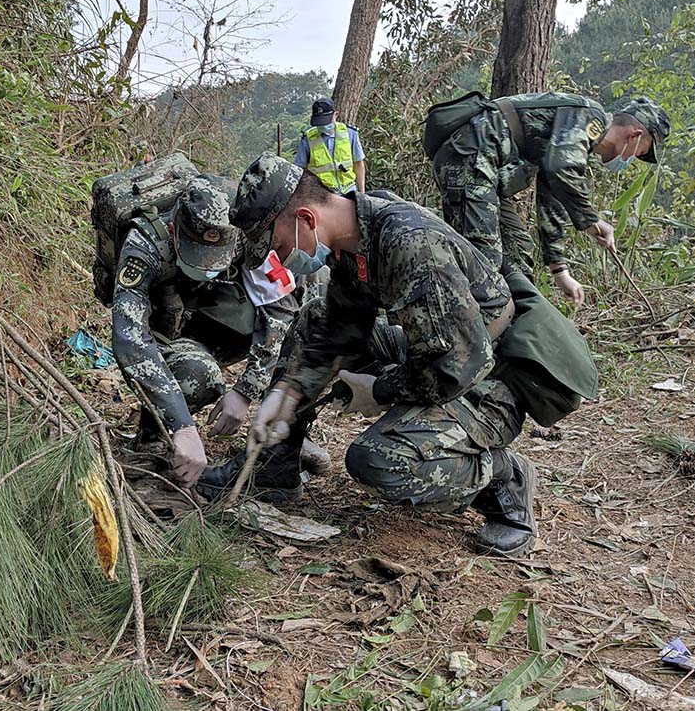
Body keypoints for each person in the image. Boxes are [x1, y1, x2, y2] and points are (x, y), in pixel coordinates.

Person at [203, 154, 597, 555]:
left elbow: (455, 368)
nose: (282, 258)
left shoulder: (410, 244)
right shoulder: (353, 237)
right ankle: (275, 467)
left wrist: (379, 390)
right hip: (435, 350)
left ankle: (502, 478)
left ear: (306, 219)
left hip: (492, 377)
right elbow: (341, 327)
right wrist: (287, 394)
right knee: (315, 318)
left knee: (378, 460)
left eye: (279, 245)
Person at [111, 175, 328, 488]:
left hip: (215, 319)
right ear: (175, 230)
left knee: (309, 312)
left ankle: (279, 441)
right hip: (166, 329)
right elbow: (130, 338)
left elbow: (279, 310)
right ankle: (154, 432)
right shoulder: (144, 245)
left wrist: (245, 392)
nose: (208, 267)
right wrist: (182, 424)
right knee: (197, 375)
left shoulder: (247, 229)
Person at [429, 94, 670, 305]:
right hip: (470, 160)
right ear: (634, 135)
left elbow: (551, 196)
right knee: (484, 263)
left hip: (484, 172)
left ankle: (518, 334)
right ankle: (461, 340)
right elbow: (560, 168)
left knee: (517, 253)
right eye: (641, 152)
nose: (633, 159)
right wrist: (591, 221)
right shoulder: (590, 116)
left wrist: (560, 271)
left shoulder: (574, 141)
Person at [294, 97, 367, 194]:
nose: (323, 125)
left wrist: (362, 193)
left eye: (326, 120)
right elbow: (300, 170)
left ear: (336, 114)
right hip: (321, 195)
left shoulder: (350, 134)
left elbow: (358, 163)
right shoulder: (307, 139)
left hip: (348, 191)